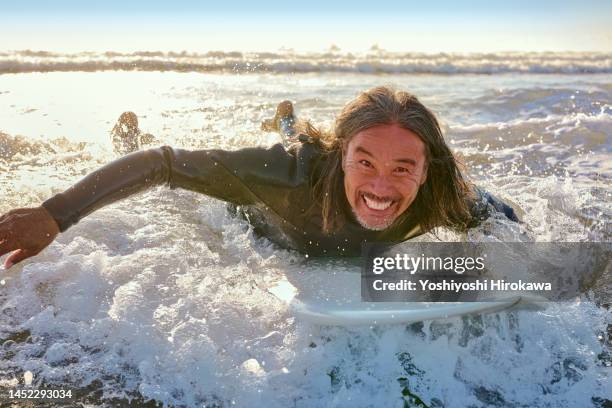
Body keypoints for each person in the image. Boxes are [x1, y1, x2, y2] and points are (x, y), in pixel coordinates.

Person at [0, 86, 518, 268]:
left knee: (299, 135)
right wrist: (54, 214)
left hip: (320, 155)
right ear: (341, 157)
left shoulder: (443, 196)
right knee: (291, 145)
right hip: (255, 207)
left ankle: (289, 118)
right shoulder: (282, 175)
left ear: (429, 171)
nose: (382, 187)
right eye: (364, 161)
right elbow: (164, 164)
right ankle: (288, 125)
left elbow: (506, 220)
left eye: (403, 168)